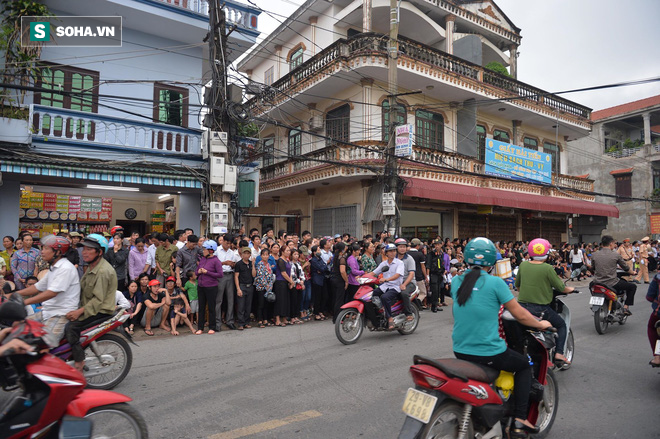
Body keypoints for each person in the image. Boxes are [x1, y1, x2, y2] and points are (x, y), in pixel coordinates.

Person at [451, 237, 552, 435]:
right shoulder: (496, 283)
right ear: (492, 261)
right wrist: (541, 324)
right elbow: (520, 314)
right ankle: (519, 420)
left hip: (460, 350)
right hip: (488, 352)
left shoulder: (456, 281)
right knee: (523, 365)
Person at [515, 238, 575, 366]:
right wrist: (571, 289)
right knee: (561, 325)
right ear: (546, 253)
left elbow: (518, 286)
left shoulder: (523, 265)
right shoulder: (547, 268)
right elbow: (560, 287)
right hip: (540, 309)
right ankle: (559, 354)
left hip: (521, 308)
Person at [16, 235, 80, 348]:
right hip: (48, 311)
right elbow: (37, 287)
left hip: (60, 314)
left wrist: (25, 302)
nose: (42, 252)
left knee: (42, 345)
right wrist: (13, 294)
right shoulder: (53, 268)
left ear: (58, 252)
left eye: (46, 249)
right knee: (18, 328)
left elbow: (51, 293)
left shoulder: (65, 268)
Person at [65, 234, 117, 372]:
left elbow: (97, 301)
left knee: (71, 327)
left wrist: (78, 312)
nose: (84, 252)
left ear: (100, 252)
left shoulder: (103, 271)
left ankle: (78, 361)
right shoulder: (92, 266)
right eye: (84, 249)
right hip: (89, 306)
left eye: (89, 249)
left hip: (100, 310)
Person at [592, 235, 637, 315]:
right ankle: (626, 307)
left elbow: (593, 268)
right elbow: (625, 268)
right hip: (612, 283)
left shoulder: (594, 254)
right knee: (632, 286)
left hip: (597, 282)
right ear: (611, 244)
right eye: (614, 243)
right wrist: (632, 272)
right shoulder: (615, 255)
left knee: (591, 286)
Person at [365, 244, 405, 330]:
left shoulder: (399, 263)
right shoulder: (384, 264)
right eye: (390, 251)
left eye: (394, 251)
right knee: (369, 295)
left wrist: (386, 279)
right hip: (385, 286)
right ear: (386, 253)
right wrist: (362, 277)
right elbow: (374, 273)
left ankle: (389, 318)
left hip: (395, 287)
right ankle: (375, 316)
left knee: (384, 297)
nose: (392, 253)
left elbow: (397, 275)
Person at [195, 240, 224, 334]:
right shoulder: (203, 259)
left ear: (211, 250)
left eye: (205, 249)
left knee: (211, 307)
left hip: (211, 286)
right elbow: (196, 271)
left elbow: (220, 274)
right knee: (201, 307)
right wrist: (198, 272)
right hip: (201, 285)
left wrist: (207, 272)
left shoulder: (216, 261)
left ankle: (212, 327)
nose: (203, 250)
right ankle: (200, 327)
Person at [234, 247, 256, 330]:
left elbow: (254, 275)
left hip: (250, 286)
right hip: (242, 285)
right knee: (241, 306)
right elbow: (236, 276)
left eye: (248, 253)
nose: (246, 255)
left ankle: (247, 322)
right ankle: (241, 323)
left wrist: (253, 265)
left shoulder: (250, 263)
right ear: (242, 254)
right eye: (245, 253)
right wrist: (238, 288)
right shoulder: (239, 264)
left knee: (248, 306)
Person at [395, 238, 416, 321]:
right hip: (396, 282)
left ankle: (408, 313)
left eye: (404, 247)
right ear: (396, 248)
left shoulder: (409, 259)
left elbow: (411, 274)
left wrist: (404, 284)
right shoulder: (393, 258)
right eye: (400, 247)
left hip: (409, 282)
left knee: (404, 293)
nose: (402, 248)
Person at [273, 246, 293, 327]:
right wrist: (291, 281)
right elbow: (283, 273)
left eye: (289, 250)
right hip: (280, 282)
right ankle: (277, 320)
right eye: (287, 250)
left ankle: (284, 318)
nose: (289, 252)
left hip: (286, 282)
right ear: (282, 251)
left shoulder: (287, 260)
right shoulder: (280, 260)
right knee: (279, 301)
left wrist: (291, 282)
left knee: (286, 301)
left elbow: (289, 272)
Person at [254, 248, 274, 328]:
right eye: (263, 255)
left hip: (268, 287)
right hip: (261, 287)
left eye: (267, 255)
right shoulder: (259, 264)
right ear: (261, 255)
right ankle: (260, 320)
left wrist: (270, 285)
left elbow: (271, 275)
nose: (265, 256)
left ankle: (265, 319)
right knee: (261, 304)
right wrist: (266, 285)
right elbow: (260, 276)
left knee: (266, 304)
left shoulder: (268, 265)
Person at [329, 242, 348, 323]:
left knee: (335, 299)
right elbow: (342, 271)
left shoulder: (335, 257)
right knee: (339, 300)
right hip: (339, 280)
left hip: (333, 279)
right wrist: (346, 280)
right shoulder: (342, 258)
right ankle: (338, 318)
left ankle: (335, 316)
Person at [310, 245, 329, 321]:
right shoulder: (313, 260)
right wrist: (322, 268)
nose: (319, 252)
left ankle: (321, 311)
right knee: (317, 298)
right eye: (318, 250)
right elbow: (321, 268)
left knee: (325, 296)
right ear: (314, 252)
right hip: (317, 280)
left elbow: (325, 267)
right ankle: (316, 313)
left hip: (322, 279)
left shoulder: (320, 258)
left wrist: (322, 268)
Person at [426, 239, 446, 312]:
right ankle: (433, 306)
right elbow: (428, 265)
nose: (437, 246)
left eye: (438, 244)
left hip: (439, 274)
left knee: (438, 290)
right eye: (436, 245)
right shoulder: (431, 254)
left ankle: (436, 304)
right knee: (434, 290)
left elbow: (442, 263)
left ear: (441, 245)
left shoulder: (441, 254)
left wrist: (443, 273)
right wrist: (427, 276)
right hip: (433, 274)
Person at [408, 238, 428, 308]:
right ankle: (418, 302)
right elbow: (423, 267)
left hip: (408, 277)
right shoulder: (420, 254)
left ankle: (412, 303)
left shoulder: (406, 254)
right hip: (418, 276)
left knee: (411, 292)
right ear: (417, 246)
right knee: (423, 292)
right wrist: (426, 276)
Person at [646, 274, 660, 367]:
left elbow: (649, 297)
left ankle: (657, 357)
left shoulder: (658, 277)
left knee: (652, 327)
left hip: (659, 313)